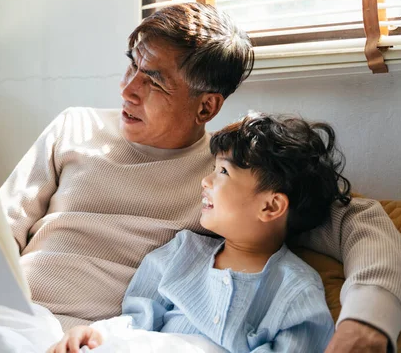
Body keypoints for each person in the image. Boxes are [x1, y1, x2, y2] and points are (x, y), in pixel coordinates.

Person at [0, 3, 401, 352]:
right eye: (131, 66)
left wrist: (368, 321)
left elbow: (360, 222)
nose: (127, 90)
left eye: (154, 80)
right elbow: (2, 226)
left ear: (206, 105)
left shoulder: (231, 174)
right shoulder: (73, 125)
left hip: (63, 336)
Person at [50, 113, 343, 353]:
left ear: (270, 206)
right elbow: (136, 321)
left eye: (223, 173)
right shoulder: (183, 251)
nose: (206, 180)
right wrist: (92, 334)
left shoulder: (295, 290)